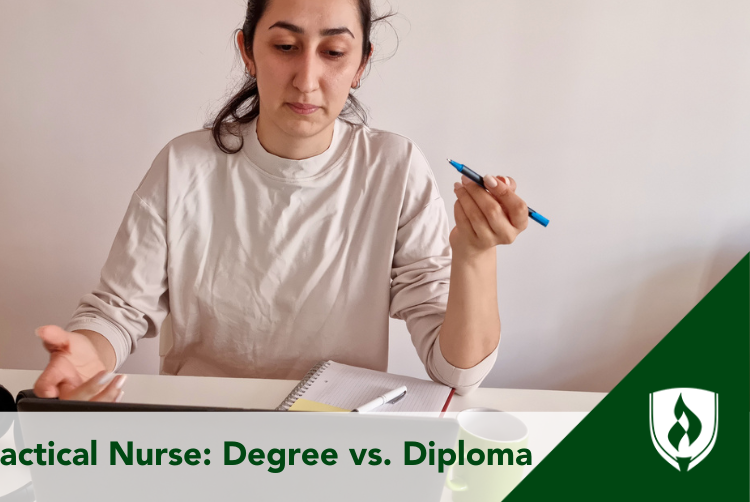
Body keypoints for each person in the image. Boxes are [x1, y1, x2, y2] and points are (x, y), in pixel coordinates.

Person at [32, 0, 530, 403]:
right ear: (248, 52)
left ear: (361, 64)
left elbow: (458, 373)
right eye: (286, 46)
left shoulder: (394, 167)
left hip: (332, 434)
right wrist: (87, 349)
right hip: (199, 425)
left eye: (334, 52)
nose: (307, 78)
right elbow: (118, 310)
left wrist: (474, 254)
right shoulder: (185, 163)